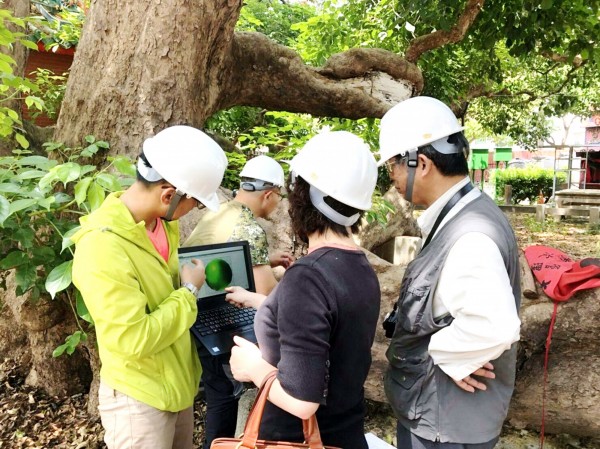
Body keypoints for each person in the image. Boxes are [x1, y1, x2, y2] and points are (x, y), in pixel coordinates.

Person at [71, 125, 228, 449]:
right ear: (169, 195)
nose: (193, 212)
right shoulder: (102, 248)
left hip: (177, 385)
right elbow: (134, 338)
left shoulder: (160, 224)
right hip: (139, 402)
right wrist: (189, 292)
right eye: (196, 204)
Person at [378, 96, 521, 449]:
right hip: (441, 416)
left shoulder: (471, 235)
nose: (392, 177)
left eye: (392, 166)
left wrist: (447, 354)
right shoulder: (463, 213)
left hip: (443, 427)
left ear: (421, 163)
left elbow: (495, 326)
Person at [227, 131, 381, 449]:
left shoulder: (308, 276)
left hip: (297, 441)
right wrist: (260, 301)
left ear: (304, 195)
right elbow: (323, 321)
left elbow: (303, 401)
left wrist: (254, 368)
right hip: (344, 435)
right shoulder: (358, 267)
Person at [182, 154, 293, 448]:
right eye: (279, 197)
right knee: (225, 395)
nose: (278, 204)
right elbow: (266, 297)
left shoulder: (219, 213)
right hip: (222, 319)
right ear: (268, 194)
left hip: (197, 314)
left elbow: (222, 261)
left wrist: (267, 261)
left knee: (218, 390)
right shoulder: (251, 229)